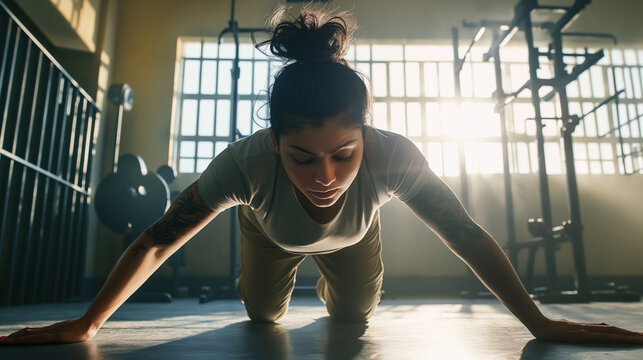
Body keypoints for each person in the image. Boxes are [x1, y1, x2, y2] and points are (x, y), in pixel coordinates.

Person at [1, 7, 642, 346]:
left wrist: (544, 324)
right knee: (261, 318)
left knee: (354, 316)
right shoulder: (245, 164)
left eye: (344, 152)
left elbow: (466, 235)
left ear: (366, 134)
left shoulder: (394, 155)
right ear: (275, 142)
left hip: (356, 239)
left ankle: (340, 283)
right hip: (268, 236)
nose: (325, 175)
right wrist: (86, 325)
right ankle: (269, 275)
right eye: (301, 157)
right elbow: (158, 239)